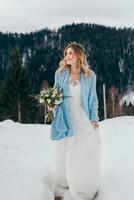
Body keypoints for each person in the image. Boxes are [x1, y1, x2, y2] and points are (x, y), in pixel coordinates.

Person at [51, 41, 101, 200]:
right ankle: (65, 182)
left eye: (71, 53)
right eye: (66, 53)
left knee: (81, 152)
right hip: (65, 116)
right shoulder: (60, 73)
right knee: (67, 150)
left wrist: (94, 118)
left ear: (79, 56)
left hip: (82, 117)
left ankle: (81, 184)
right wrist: (52, 103)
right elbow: (56, 93)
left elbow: (93, 99)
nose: (67, 56)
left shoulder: (90, 75)